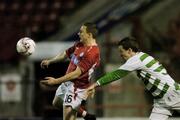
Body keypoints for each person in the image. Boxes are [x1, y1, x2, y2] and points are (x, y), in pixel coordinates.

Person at [86, 37, 180, 120]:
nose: (120, 55)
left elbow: (116, 74)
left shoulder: (136, 59)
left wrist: (95, 84)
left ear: (130, 50)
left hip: (172, 94)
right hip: (161, 100)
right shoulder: (141, 57)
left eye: (121, 52)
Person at [40, 22, 100, 120]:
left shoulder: (92, 53)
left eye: (81, 32)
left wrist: (55, 81)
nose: (78, 34)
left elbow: (76, 74)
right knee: (56, 102)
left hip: (76, 88)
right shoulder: (80, 44)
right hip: (68, 83)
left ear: (89, 35)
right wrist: (50, 61)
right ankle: (85, 115)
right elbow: (65, 54)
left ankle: (76, 108)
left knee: (67, 117)